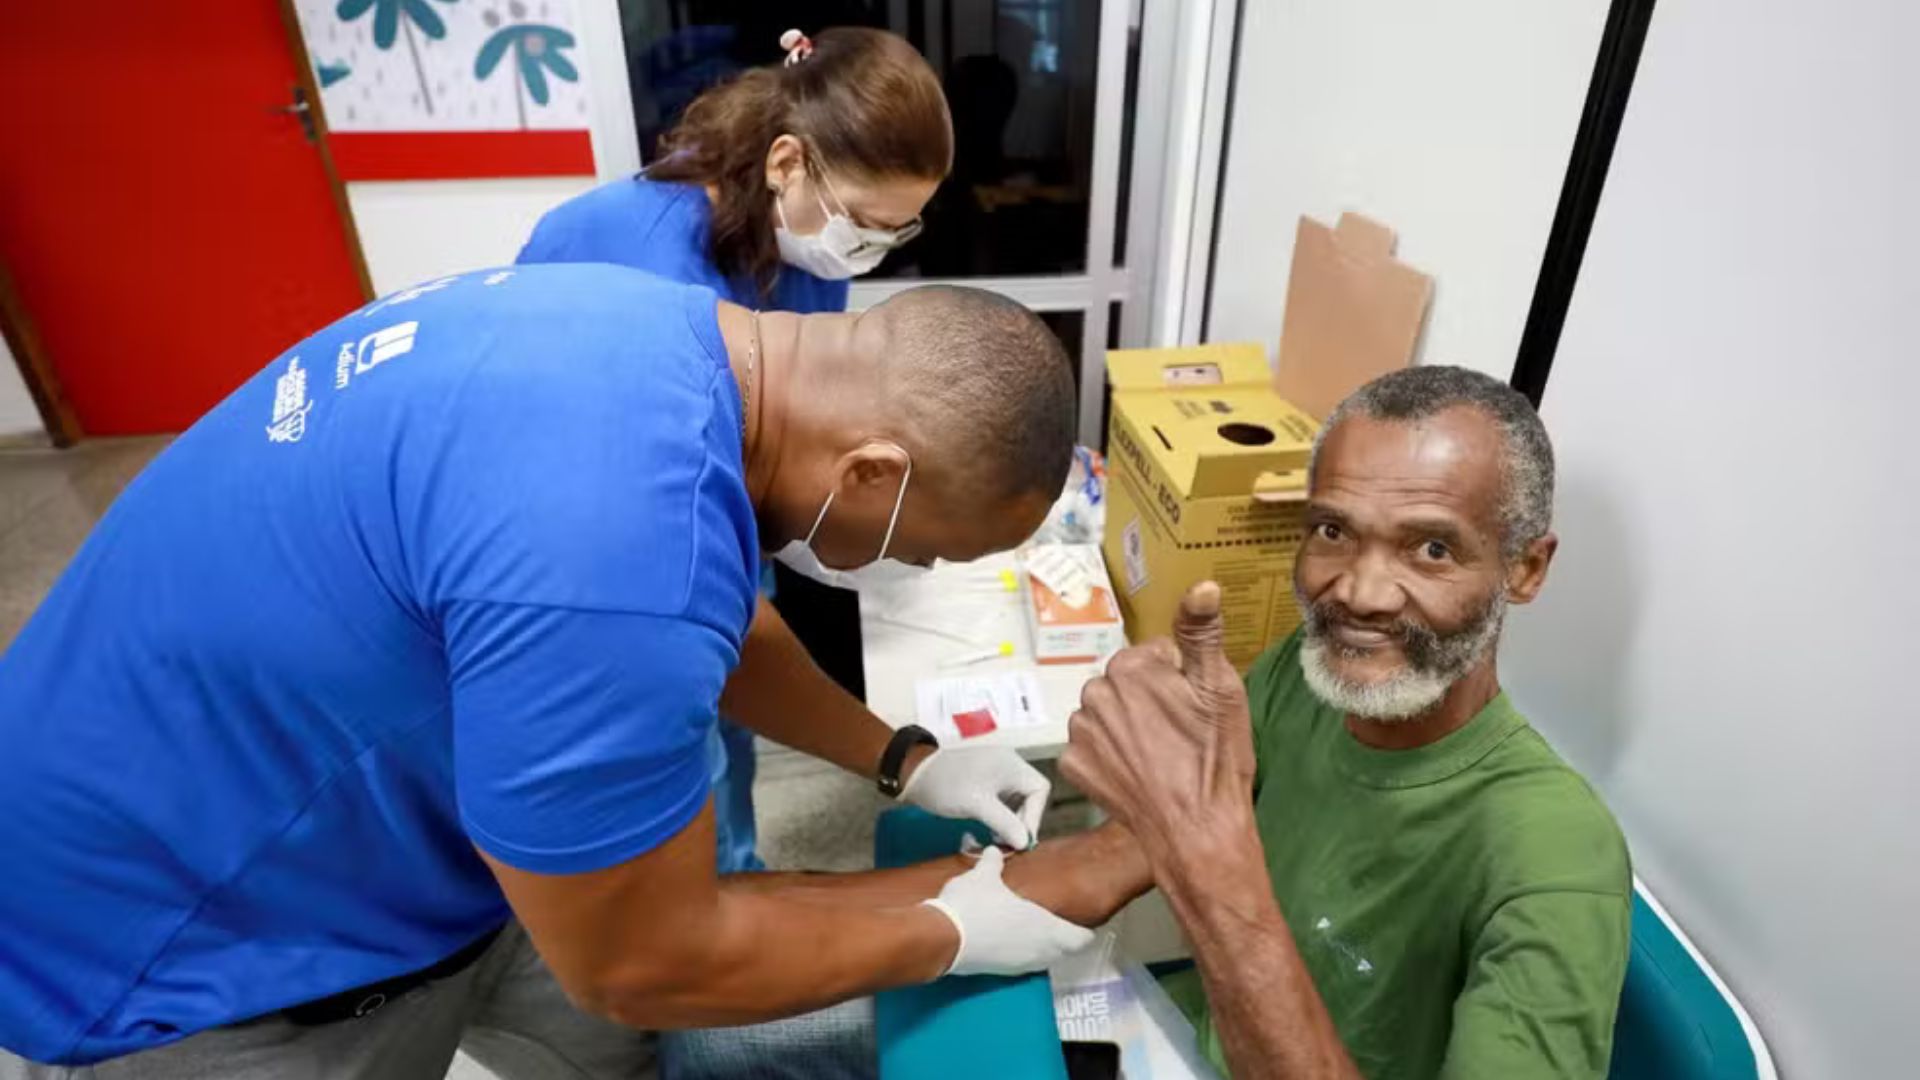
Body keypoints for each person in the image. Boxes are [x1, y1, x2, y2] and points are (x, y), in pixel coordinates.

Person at [0, 264, 1135, 1077]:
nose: (914, 567)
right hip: (186, 926)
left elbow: (717, 626)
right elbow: (643, 961)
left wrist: (902, 757)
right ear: (876, 472)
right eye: (929, 548)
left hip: (355, 800)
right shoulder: (612, 546)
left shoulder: (666, 340)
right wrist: (949, 931)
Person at [1062, 366, 1633, 1078]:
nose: (1360, 594)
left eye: (1431, 549)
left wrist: (1207, 868)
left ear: (1524, 570)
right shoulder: (1306, 683)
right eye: (1333, 531)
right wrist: (958, 908)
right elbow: (1119, 857)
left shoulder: (1556, 855)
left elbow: (1199, 855)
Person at [519, 25, 951, 878]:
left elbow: (794, 398)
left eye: (896, 233)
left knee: (736, 718)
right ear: (786, 162)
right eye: (865, 224)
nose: (866, 248)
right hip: (594, 529)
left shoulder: (804, 239)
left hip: (698, 497)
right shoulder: (652, 273)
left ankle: (735, 868)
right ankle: (696, 910)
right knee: (675, 738)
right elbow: (660, 518)